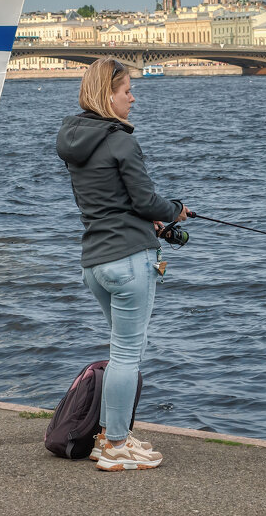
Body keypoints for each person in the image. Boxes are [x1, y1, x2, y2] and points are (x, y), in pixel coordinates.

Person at [55, 58, 189, 472]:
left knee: (120, 351)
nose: (133, 97)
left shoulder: (73, 140)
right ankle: (114, 446)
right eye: (126, 90)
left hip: (94, 262)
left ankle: (112, 438)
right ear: (107, 95)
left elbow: (108, 202)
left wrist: (145, 215)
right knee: (127, 355)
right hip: (130, 259)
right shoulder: (121, 140)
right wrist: (177, 210)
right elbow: (146, 201)